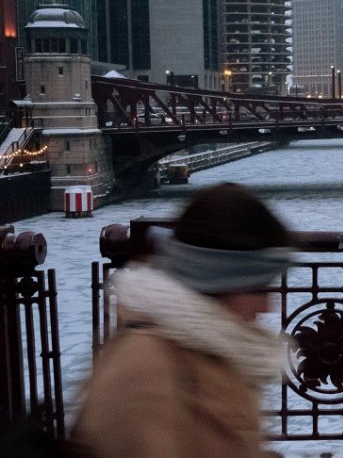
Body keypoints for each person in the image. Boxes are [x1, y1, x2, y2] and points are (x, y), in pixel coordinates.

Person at [70, 182, 294, 458]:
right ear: (215, 280)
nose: (267, 305)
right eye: (257, 287)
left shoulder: (213, 346)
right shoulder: (147, 365)